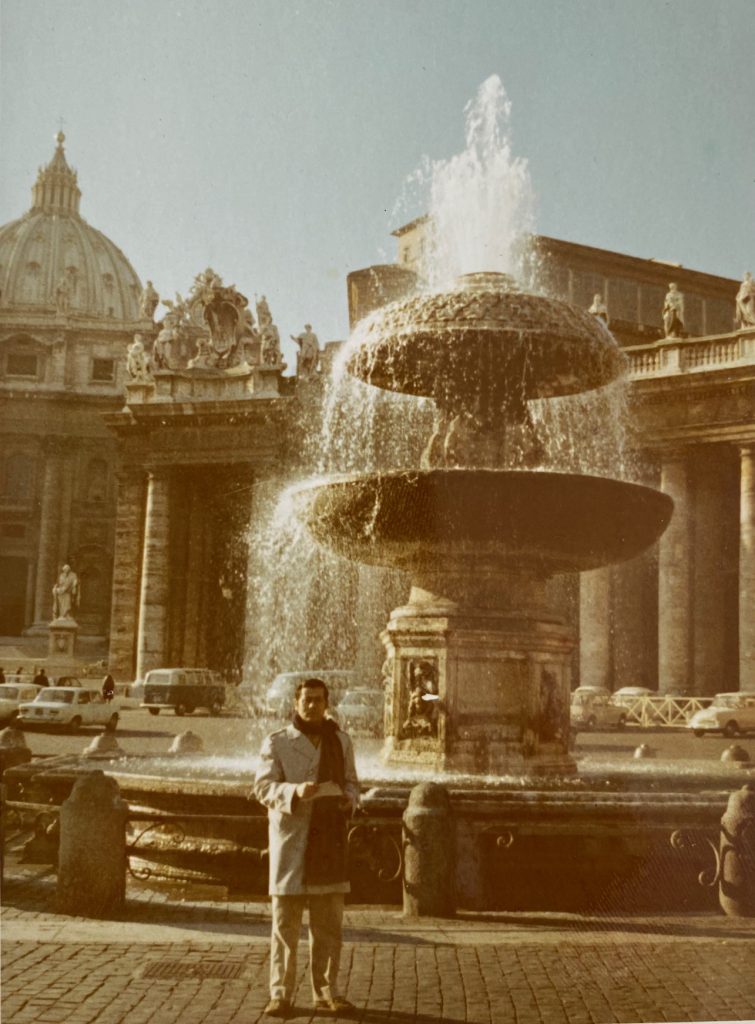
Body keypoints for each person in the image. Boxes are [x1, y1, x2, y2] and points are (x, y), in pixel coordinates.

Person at [253, 678, 359, 1018]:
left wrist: (350, 800)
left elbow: (353, 782)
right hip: (292, 841)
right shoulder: (278, 742)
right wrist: (294, 792)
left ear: (327, 704)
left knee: (328, 925)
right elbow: (262, 787)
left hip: (329, 840)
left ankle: (327, 991)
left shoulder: (340, 741)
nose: (312, 705)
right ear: (296, 703)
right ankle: (280, 993)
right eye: (306, 700)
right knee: (285, 925)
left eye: (318, 700)